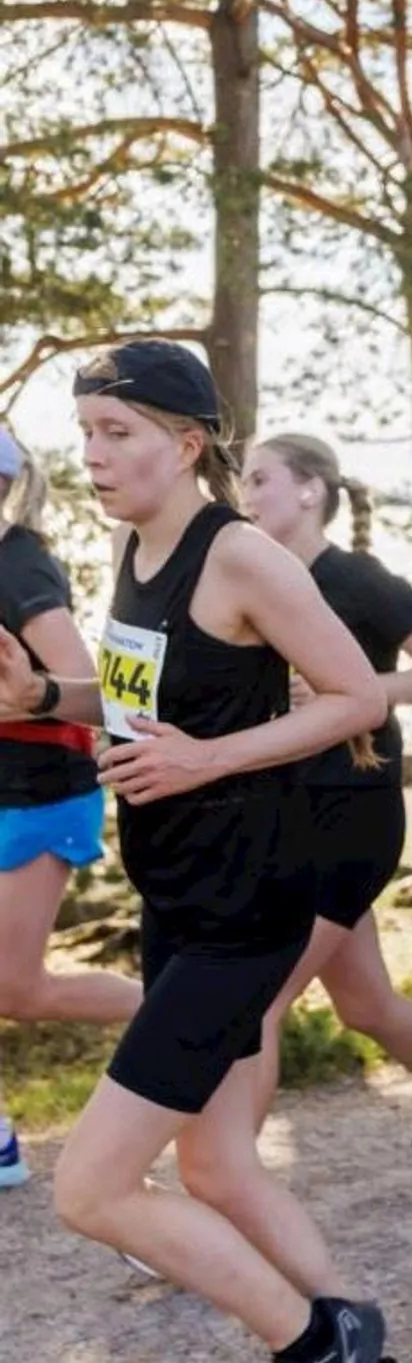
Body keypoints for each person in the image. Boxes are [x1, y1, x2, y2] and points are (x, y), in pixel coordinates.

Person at [0, 340, 392, 1362]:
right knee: (215, 1169)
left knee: (89, 1188)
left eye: (117, 434)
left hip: (246, 912)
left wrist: (210, 760)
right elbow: (147, 701)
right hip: (176, 898)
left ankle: (311, 1341)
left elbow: (358, 698)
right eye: (85, 433)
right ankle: (355, 1329)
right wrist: (45, 697)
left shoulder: (241, 556)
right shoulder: (136, 550)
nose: (91, 454)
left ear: (186, 443)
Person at [240, 433, 412, 1197]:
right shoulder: (251, 578)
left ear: (310, 490)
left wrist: (356, 687)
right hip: (286, 810)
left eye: (260, 478)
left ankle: (228, 1189)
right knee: (365, 1003)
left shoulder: (358, 578)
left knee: (254, 999)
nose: (245, 491)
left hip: (353, 813)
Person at [0, 426, 143, 1188]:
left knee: (15, 988)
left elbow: (81, 682)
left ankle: (191, 1019)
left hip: (41, 791)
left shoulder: (19, 563)